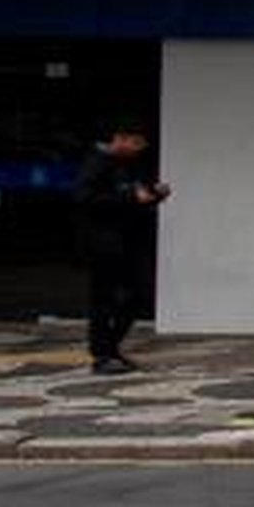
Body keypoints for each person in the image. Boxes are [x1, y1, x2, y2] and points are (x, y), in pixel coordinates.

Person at [74, 126, 170, 373]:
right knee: (103, 299)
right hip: (103, 243)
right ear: (120, 138)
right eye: (136, 142)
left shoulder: (129, 164)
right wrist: (130, 199)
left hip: (130, 242)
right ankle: (102, 355)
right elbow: (85, 199)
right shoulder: (97, 163)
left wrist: (154, 195)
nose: (141, 148)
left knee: (141, 293)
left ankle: (111, 347)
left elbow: (135, 196)